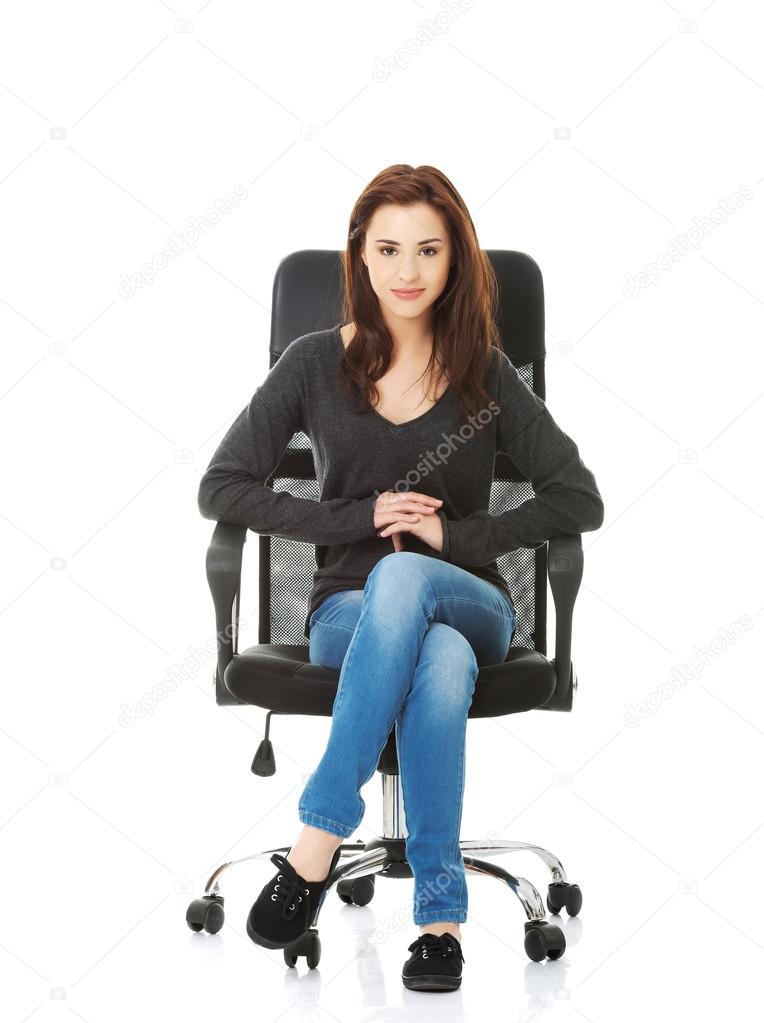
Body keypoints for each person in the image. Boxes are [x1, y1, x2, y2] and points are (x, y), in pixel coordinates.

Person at [198, 163, 605, 991]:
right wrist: (364, 516)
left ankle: (318, 837)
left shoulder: (484, 369)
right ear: (362, 255)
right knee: (436, 655)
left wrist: (452, 533)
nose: (408, 271)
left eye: (428, 249)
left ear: (455, 259)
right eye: (389, 249)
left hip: (475, 598)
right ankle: (441, 924)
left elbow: (578, 496)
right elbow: (223, 485)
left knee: (412, 582)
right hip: (346, 612)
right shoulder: (314, 364)